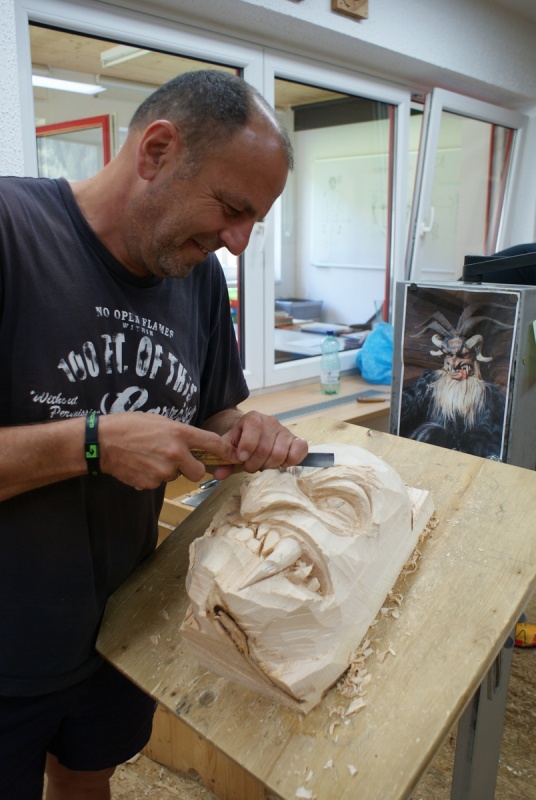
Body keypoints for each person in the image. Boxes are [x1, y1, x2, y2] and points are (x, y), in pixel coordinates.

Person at [0, 69, 308, 799]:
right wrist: (94, 444)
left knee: (88, 777)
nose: (237, 243)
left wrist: (248, 430)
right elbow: (103, 442)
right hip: (8, 645)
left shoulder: (194, 275)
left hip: (120, 626)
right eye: (232, 208)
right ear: (157, 151)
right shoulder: (12, 233)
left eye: (255, 221)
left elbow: (213, 412)